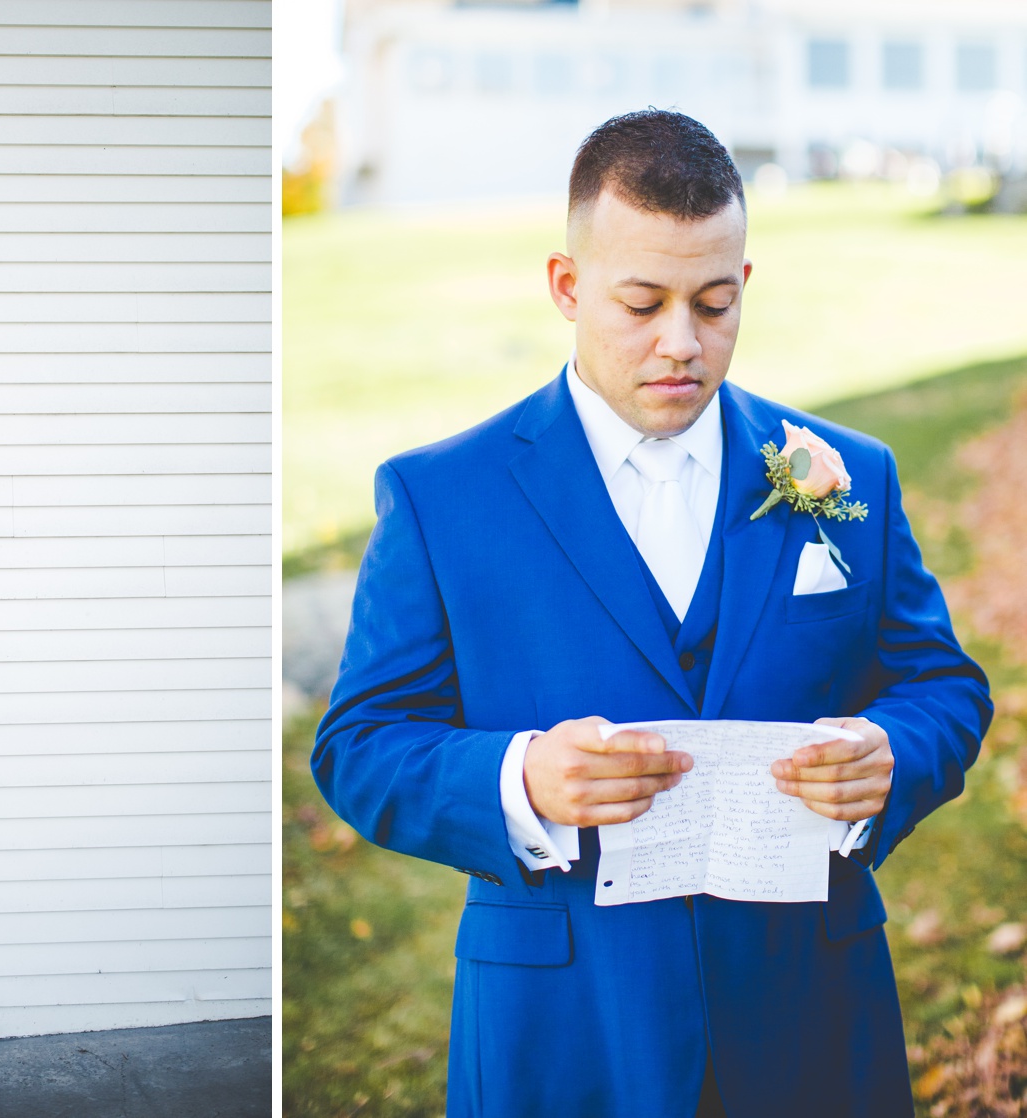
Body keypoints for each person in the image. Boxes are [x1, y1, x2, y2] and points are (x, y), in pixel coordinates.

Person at [311, 110, 991, 1117]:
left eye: (714, 302)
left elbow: (942, 683)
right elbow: (360, 743)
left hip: (812, 1009)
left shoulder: (852, 477)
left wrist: (888, 751)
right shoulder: (442, 497)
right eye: (643, 302)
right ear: (567, 285)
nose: (683, 342)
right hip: (568, 1025)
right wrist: (521, 775)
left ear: (745, 285)